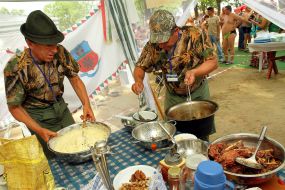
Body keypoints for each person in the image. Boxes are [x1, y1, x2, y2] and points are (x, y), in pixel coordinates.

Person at [3, 10, 95, 158]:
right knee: (56, 158)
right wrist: (39, 130)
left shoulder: (60, 52)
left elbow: (74, 78)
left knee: (80, 145)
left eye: (55, 44)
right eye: (47, 46)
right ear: (29, 43)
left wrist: (86, 104)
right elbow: (14, 107)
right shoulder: (15, 67)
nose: (54, 50)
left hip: (61, 108)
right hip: (38, 117)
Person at [131, 10, 218, 141]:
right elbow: (140, 66)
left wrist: (195, 72)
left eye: (165, 41)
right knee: (173, 136)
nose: (161, 45)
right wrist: (138, 80)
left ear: (175, 31)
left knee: (200, 135)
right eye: (158, 41)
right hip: (173, 97)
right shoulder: (153, 45)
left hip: (197, 93)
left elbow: (213, 62)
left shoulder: (195, 35)